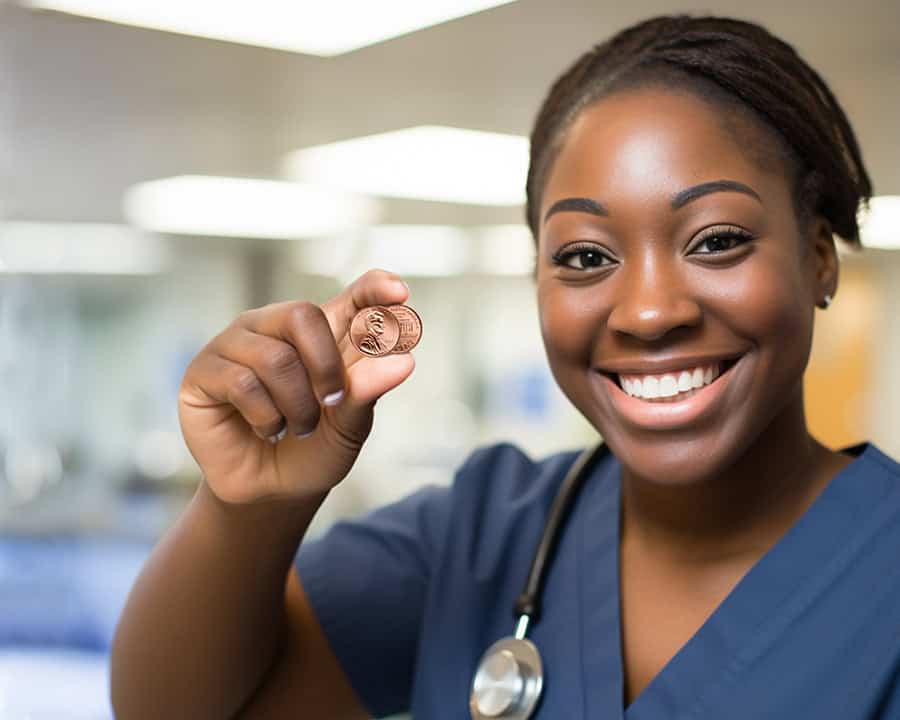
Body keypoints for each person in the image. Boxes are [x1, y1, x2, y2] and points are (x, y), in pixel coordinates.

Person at [110, 14, 900, 719]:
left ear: (820, 259)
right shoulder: (480, 535)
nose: (651, 312)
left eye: (716, 240)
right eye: (586, 256)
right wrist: (246, 509)